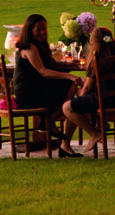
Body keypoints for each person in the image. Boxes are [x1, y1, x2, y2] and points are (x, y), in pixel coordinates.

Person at [13, 13, 84, 158]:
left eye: (44, 29)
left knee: (69, 84)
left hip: (38, 86)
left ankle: (52, 119)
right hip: (28, 92)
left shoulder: (40, 46)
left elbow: (49, 64)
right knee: (70, 84)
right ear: (29, 31)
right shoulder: (29, 48)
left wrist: (67, 64)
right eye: (38, 29)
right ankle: (51, 118)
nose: (42, 32)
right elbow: (43, 71)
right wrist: (70, 75)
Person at [62, 27, 115, 153]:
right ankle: (65, 145)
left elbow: (87, 88)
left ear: (94, 42)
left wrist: (79, 94)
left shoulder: (97, 60)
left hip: (105, 100)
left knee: (67, 107)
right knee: (77, 102)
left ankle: (94, 133)